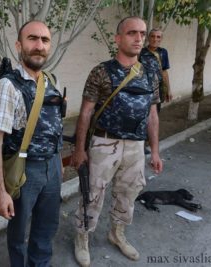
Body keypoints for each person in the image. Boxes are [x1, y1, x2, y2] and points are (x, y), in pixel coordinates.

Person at [71, 17, 163, 267]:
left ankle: (116, 233)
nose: (138, 38)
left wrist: (154, 151)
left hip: (135, 146)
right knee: (93, 193)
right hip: (104, 143)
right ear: (118, 38)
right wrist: (79, 149)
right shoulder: (102, 71)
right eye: (132, 33)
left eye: (142, 34)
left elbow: (152, 114)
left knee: (129, 193)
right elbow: (86, 112)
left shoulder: (150, 72)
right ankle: (82, 236)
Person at [0, 20, 64, 267]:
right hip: (23, 170)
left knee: (46, 227)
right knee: (19, 233)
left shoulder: (52, 80)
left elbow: (56, 127)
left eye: (45, 40)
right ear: (19, 45)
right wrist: (0, 192)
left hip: (52, 167)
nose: (39, 46)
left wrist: (58, 163)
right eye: (32, 39)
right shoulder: (7, 86)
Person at [140, 28, 172, 112]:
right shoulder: (140, 52)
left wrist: (168, 90)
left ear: (161, 39)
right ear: (148, 38)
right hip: (143, 90)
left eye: (158, 37)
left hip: (158, 91)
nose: (155, 39)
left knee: (155, 114)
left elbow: (164, 72)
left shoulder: (163, 52)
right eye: (153, 36)